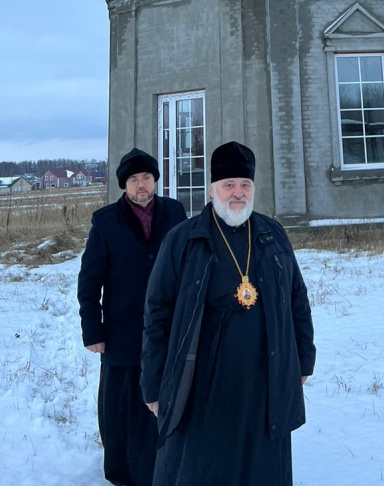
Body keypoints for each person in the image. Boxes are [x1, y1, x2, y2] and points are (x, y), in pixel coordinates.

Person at [142, 141, 315, 486]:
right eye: (229, 185)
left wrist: (303, 360)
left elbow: (297, 297)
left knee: (262, 471)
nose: (238, 193)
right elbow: (157, 313)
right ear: (212, 189)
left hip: (264, 385)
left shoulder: (272, 235)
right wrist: (153, 384)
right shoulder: (183, 240)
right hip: (203, 389)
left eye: (245, 184)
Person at [78, 148, 186, 486]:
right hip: (122, 332)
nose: (142, 185)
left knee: (164, 398)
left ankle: (163, 466)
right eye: (134, 179)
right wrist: (93, 330)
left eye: (147, 178)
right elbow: (89, 281)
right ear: (124, 185)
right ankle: (123, 472)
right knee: (121, 407)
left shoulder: (175, 212)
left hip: (167, 328)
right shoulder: (106, 221)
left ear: (155, 180)